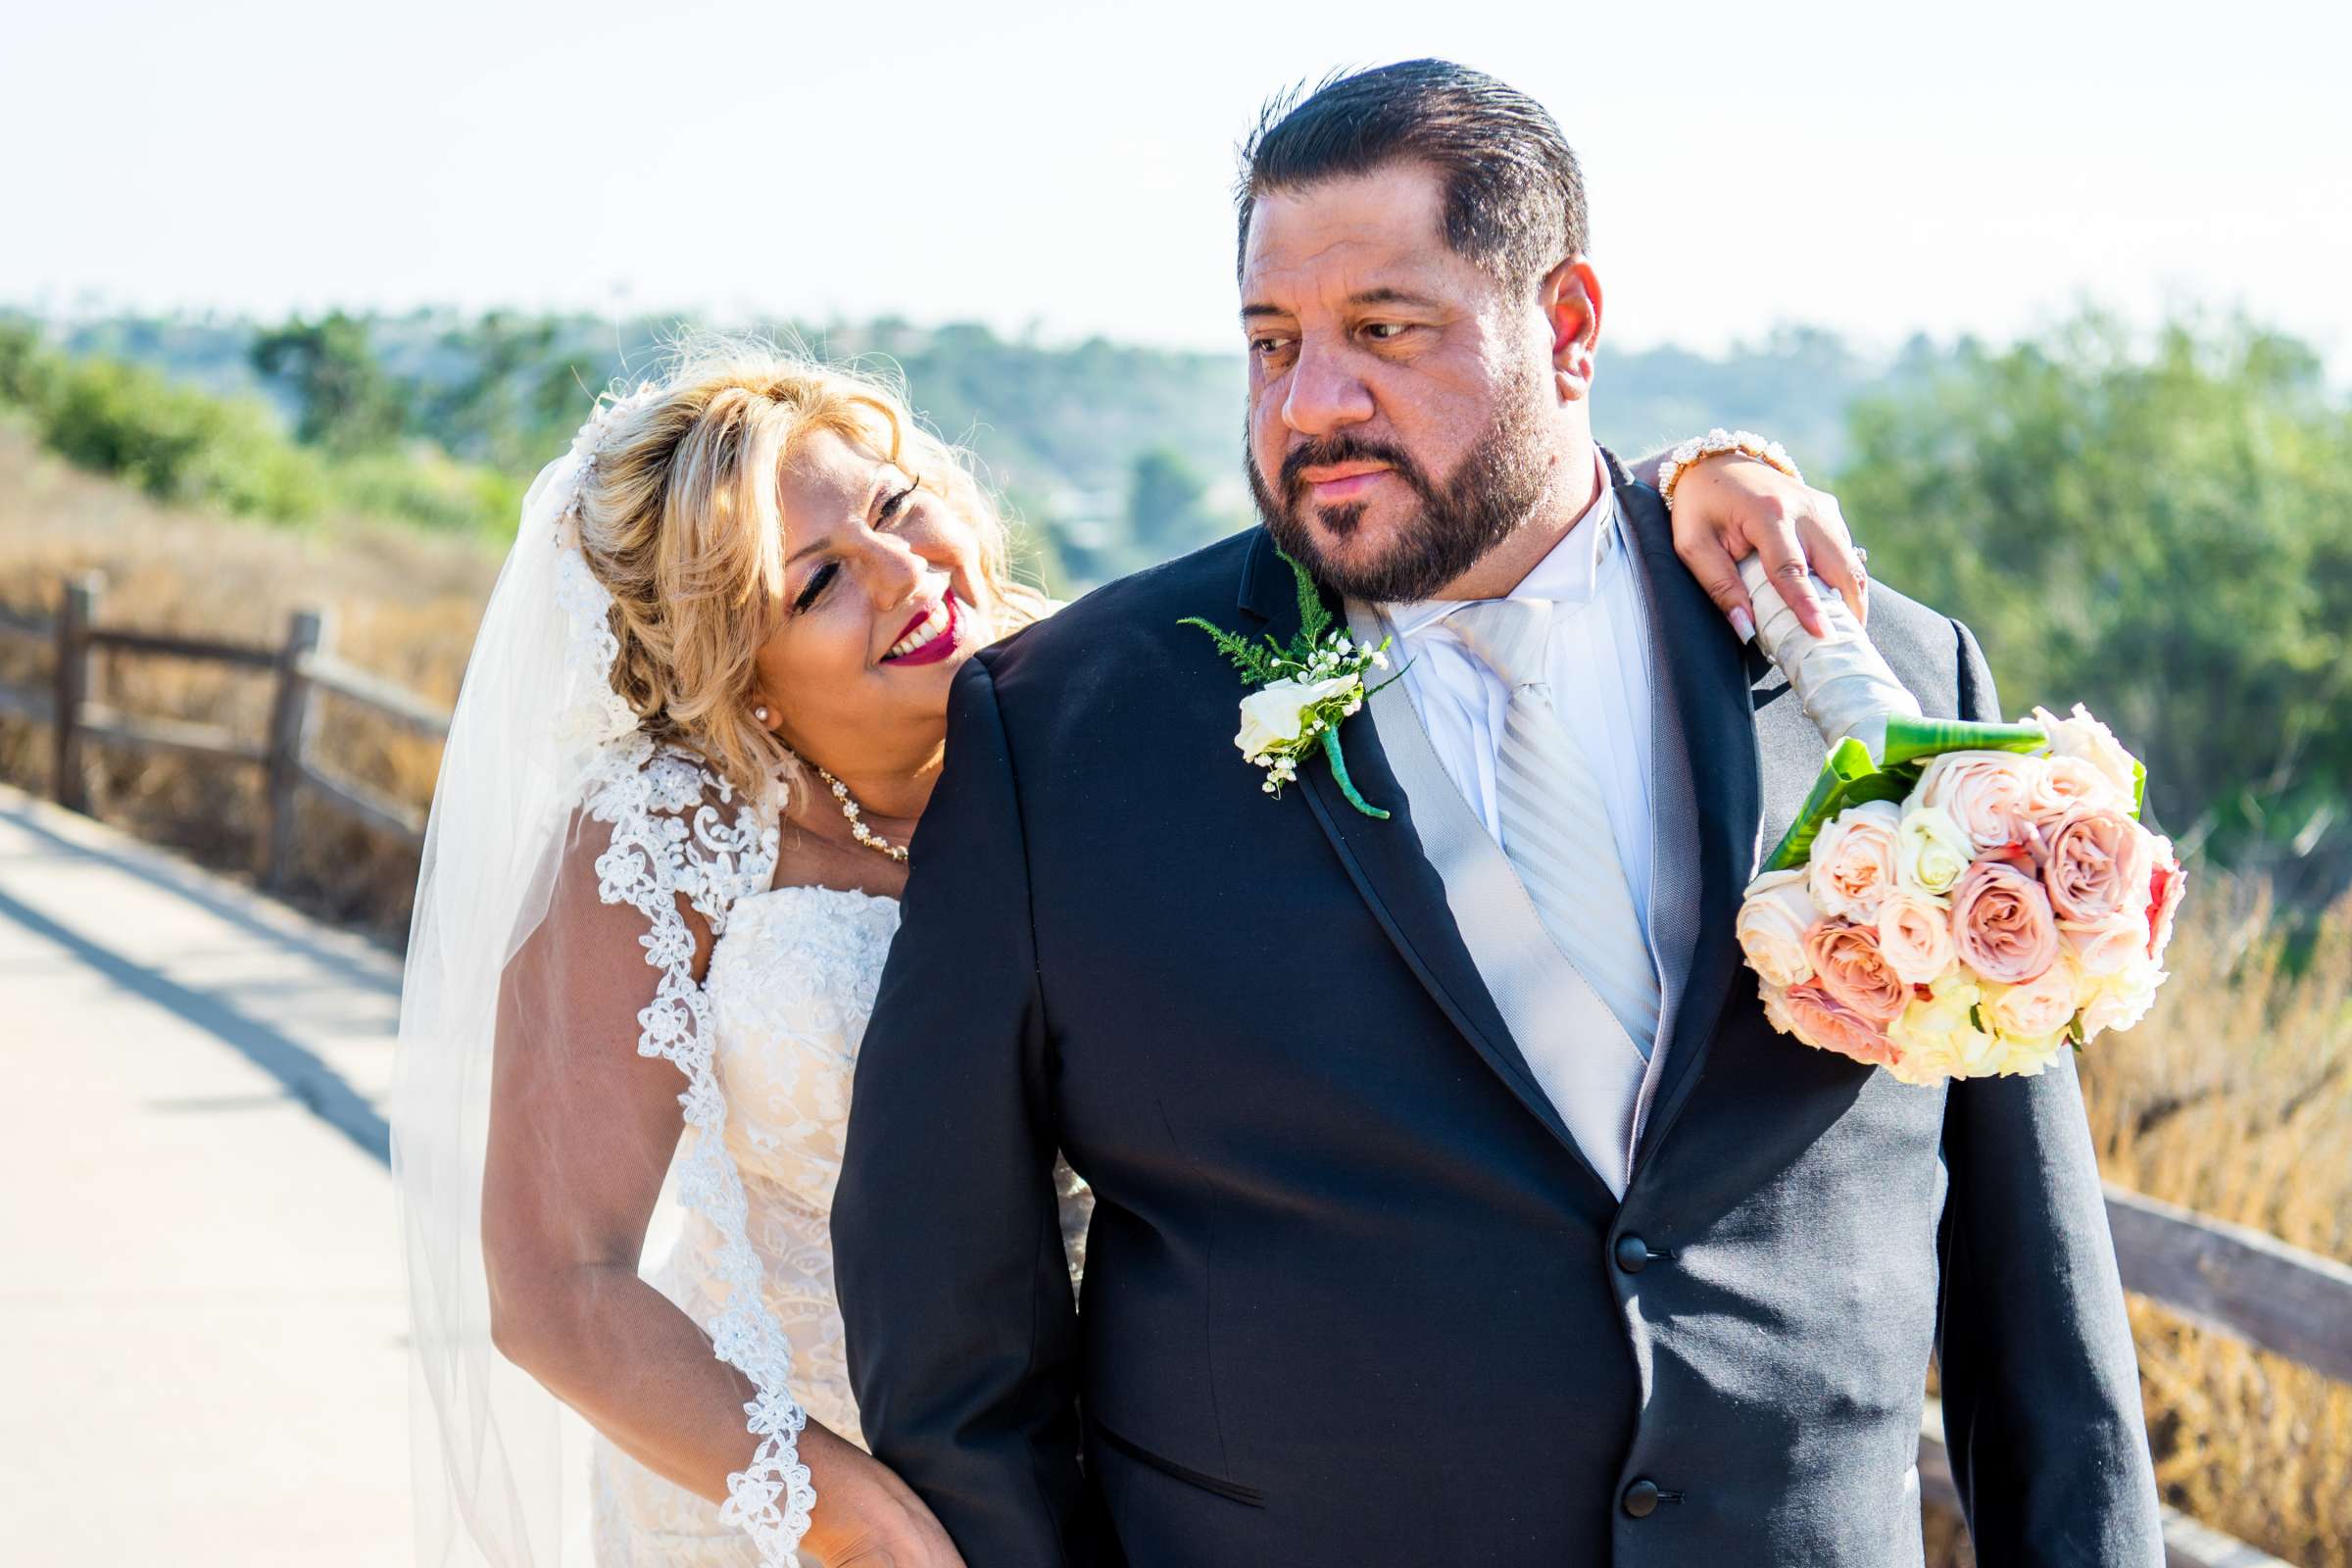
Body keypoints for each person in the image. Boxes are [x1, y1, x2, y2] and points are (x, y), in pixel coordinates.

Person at [831, 61, 2164, 1566]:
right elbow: (945, 1325)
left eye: (1384, 333)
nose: (1313, 403)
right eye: (1272, 343)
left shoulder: (1888, 684)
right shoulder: (1068, 730)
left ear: (1571, 327)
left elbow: (2038, 1326)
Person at [391, 335, 1843, 1565]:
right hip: (790, 1488)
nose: (907, 573)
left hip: (1175, 1469)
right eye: (816, 580)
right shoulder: (659, 842)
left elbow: (1417, 543)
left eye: (899, 505)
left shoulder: (1118, 703)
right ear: (730, 665)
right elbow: (557, 1287)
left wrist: (1681, 483)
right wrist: (847, 1514)